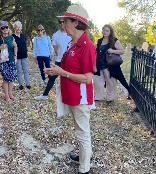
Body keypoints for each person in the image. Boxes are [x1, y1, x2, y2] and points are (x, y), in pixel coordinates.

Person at [44, 4, 96, 174]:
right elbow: (69, 69)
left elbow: (88, 78)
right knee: (80, 129)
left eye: (65, 21)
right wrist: (55, 71)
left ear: (76, 22)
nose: (63, 24)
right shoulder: (72, 43)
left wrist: (62, 72)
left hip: (80, 97)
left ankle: (84, 168)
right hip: (71, 95)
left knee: (82, 132)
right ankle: (83, 157)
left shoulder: (87, 46)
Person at [34, 19, 71, 100]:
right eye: (60, 22)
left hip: (70, 61)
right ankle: (45, 95)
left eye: (63, 22)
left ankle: (71, 96)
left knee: (69, 78)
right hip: (59, 60)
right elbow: (54, 47)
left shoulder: (71, 33)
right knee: (52, 77)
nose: (62, 23)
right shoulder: (55, 35)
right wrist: (59, 55)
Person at [94, 24, 131, 103]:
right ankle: (98, 96)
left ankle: (110, 98)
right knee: (98, 82)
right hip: (99, 64)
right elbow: (96, 52)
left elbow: (122, 51)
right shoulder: (99, 40)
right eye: (103, 30)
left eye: (107, 30)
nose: (105, 32)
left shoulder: (114, 40)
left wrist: (113, 51)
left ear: (110, 32)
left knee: (110, 82)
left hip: (109, 65)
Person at [0, 20, 17, 103]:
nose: (5, 29)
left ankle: (10, 94)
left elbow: (15, 46)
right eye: (3, 28)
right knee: (6, 79)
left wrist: (15, 55)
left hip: (11, 60)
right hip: (3, 61)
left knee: (12, 78)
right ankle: (6, 96)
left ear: (8, 28)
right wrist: (0, 47)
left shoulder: (11, 37)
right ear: (0, 29)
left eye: (6, 27)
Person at [12, 21, 31, 90]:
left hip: (24, 55)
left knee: (26, 70)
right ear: (15, 28)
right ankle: (20, 84)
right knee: (19, 71)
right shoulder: (13, 37)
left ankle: (28, 84)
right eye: (17, 27)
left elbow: (25, 45)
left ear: (21, 28)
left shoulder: (23, 36)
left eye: (19, 27)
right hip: (17, 56)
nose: (18, 28)